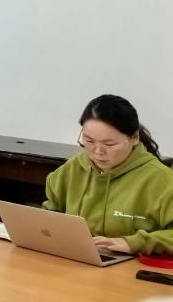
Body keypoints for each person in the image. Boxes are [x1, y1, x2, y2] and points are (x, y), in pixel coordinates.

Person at [44, 94, 173, 255]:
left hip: (131, 266)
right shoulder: (73, 168)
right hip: (76, 258)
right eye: (89, 141)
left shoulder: (162, 180)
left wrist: (132, 243)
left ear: (134, 138)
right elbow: (50, 212)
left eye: (109, 144)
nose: (98, 152)